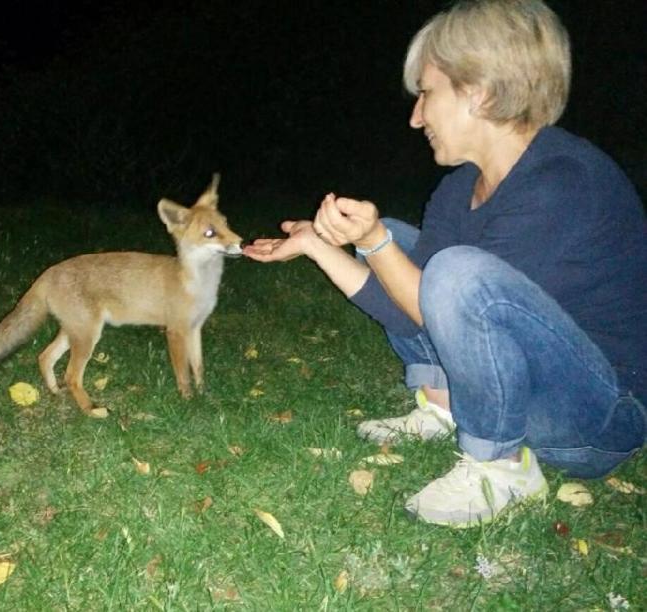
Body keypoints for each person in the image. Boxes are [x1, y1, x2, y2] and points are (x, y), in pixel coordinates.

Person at [244, 0, 646, 528]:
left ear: (478, 92)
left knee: (450, 269)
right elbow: (411, 305)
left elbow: (446, 297)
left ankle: (500, 468)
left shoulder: (564, 182)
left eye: (426, 94)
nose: (416, 117)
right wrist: (324, 247)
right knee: (414, 250)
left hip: (596, 417)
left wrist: (373, 240)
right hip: (536, 390)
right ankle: (443, 404)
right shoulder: (460, 190)